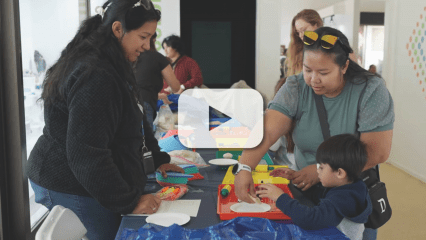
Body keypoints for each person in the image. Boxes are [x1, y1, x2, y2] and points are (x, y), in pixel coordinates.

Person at [25, 1, 184, 239]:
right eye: (143, 36)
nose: (147, 46)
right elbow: (87, 154)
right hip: (69, 181)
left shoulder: (115, 64)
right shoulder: (96, 74)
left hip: (85, 176)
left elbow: (136, 119)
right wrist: (128, 202)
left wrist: (158, 159)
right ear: (118, 29)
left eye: (151, 38)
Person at [234, 27, 394, 240]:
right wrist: (244, 167)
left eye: (323, 73)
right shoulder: (296, 87)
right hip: (307, 193)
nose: (313, 80)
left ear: (345, 66)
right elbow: (268, 130)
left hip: (349, 195)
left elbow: (377, 151)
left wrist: (318, 170)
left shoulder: (371, 90)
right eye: (308, 70)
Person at [257, 134, 372, 240]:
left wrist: (280, 197)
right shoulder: (350, 185)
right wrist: (295, 179)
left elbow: (310, 219)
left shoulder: (345, 198)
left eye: (321, 167)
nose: (317, 171)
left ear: (340, 173)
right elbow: (320, 194)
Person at [134, 32, 180, 129]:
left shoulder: (132, 57)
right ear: (153, 40)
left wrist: (160, 96)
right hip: (144, 104)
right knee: (144, 141)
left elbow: (140, 87)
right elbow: (176, 87)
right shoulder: (158, 58)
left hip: (126, 103)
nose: (165, 50)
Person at [285, 9, 323, 77]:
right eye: (298, 32)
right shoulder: (296, 52)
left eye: (303, 30)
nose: (300, 35)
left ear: (316, 25)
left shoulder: (332, 49)